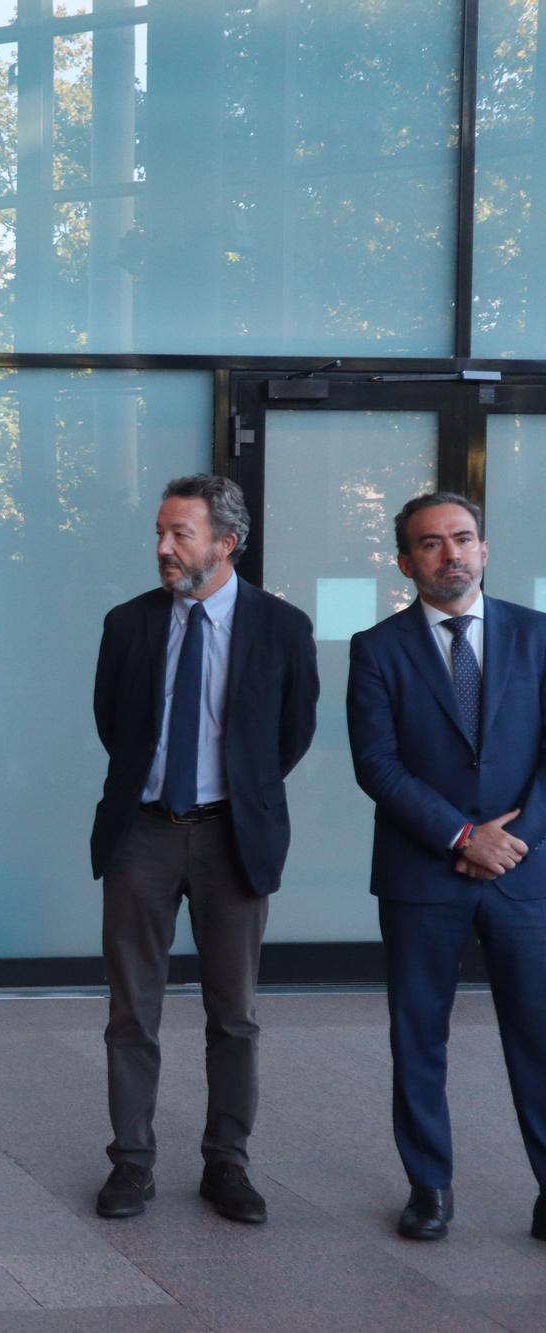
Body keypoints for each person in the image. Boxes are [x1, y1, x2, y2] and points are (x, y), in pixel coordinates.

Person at [89, 474, 318, 1225]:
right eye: (160, 530)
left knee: (235, 1014)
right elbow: (113, 726)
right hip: (143, 832)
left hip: (233, 836)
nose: (163, 547)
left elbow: (290, 735)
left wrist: (236, 795)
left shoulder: (281, 628)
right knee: (132, 1010)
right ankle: (132, 1162)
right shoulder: (127, 623)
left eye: (180, 533)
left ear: (226, 542)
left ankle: (228, 1163)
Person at [348, 491, 546, 1244]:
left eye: (463, 539)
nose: (450, 554)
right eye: (430, 544)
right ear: (406, 562)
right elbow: (377, 765)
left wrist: (508, 841)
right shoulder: (377, 648)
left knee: (539, 1031)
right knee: (418, 1034)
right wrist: (463, 835)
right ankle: (429, 1185)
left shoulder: (538, 636)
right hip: (421, 874)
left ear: (485, 550)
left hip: (527, 872)